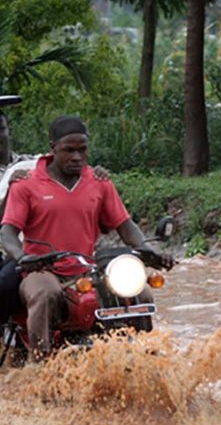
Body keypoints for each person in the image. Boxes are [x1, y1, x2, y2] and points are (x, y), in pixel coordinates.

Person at [0, 115, 173, 359]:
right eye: (68, 150)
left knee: (140, 293)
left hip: (88, 269)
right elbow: (7, 232)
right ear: (53, 148)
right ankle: (39, 363)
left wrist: (147, 249)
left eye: (82, 150)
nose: (76, 157)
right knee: (45, 294)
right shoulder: (26, 184)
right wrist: (22, 256)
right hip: (42, 269)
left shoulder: (99, 182)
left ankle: (145, 357)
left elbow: (124, 224)